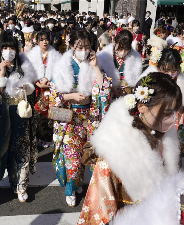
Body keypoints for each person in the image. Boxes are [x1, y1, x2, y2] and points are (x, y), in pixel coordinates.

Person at [77, 73, 182, 224]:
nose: (172, 119)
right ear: (142, 107)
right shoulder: (113, 153)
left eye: (174, 112)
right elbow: (97, 215)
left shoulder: (166, 139)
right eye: (166, 113)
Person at [50, 29, 112, 207]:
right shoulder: (63, 65)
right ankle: (70, 189)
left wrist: (94, 67)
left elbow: (104, 89)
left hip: (89, 117)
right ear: (71, 46)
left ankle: (77, 183)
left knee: (86, 155)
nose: (84, 50)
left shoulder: (94, 64)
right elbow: (53, 95)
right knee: (73, 158)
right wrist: (70, 97)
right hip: (69, 118)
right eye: (80, 46)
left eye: (87, 46)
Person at [0, 35, 37, 203]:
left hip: (21, 115)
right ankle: (13, 181)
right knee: (9, 151)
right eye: (5, 48)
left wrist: (27, 88)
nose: (9, 52)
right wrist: (2, 73)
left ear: (17, 50)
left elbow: (32, 93)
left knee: (23, 150)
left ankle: (22, 186)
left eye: (12, 48)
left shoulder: (25, 67)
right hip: (4, 116)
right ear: (0, 51)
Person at [27, 31, 61, 148]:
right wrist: (38, 82)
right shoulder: (31, 56)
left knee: (50, 113)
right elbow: (28, 72)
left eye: (46, 39)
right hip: (37, 89)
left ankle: (48, 137)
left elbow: (59, 72)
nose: (45, 42)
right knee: (36, 113)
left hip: (50, 88)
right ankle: (37, 137)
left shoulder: (56, 55)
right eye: (41, 40)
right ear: (37, 42)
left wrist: (49, 81)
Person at [97, 29, 142, 98]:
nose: (123, 52)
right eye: (120, 48)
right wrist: (110, 87)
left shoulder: (135, 58)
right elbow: (99, 78)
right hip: (109, 94)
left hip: (127, 95)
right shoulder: (104, 56)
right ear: (114, 42)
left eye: (126, 49)